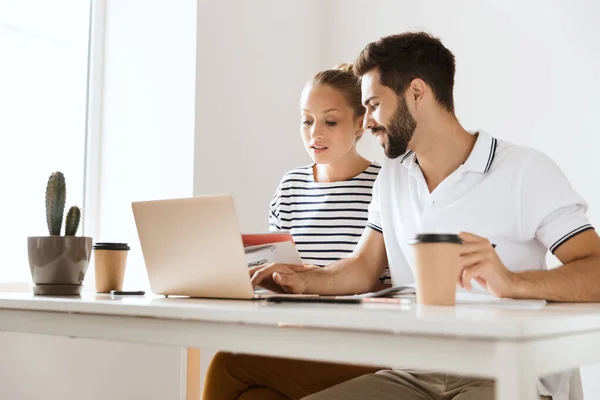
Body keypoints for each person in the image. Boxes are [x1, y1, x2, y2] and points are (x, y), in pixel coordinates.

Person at [251, 32, 600, 400]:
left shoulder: (525, 170)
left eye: (373, 105)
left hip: (505, 373)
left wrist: (513, 282)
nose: (367, 122)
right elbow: (364, 266)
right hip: (414, 372)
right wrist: (304, 281)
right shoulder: (393, 175)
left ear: (417, 93)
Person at [202, 64, 390, 400]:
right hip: (298, 340)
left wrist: (315, 282)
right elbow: (280, 278)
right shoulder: (290, 188)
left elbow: (387, 285)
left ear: (360, 122)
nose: (315, 133)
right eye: (307, 120)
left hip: (364, 346)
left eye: (330, 121)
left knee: (226, 365)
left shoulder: (385, 185)